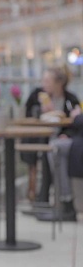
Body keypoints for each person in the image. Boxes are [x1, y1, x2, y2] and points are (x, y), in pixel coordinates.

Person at [20, 66, 80, 207]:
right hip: (39, 137)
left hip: (60, 139)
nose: (44, 84)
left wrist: (66, 133)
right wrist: (40, 111)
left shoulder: (70, 100)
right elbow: (28, 113)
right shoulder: (37, 95)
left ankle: (58, 199)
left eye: (47, 81)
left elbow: (75, 124)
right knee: (44, 149)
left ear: (58, 83)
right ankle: (43, 198)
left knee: (53, 150)